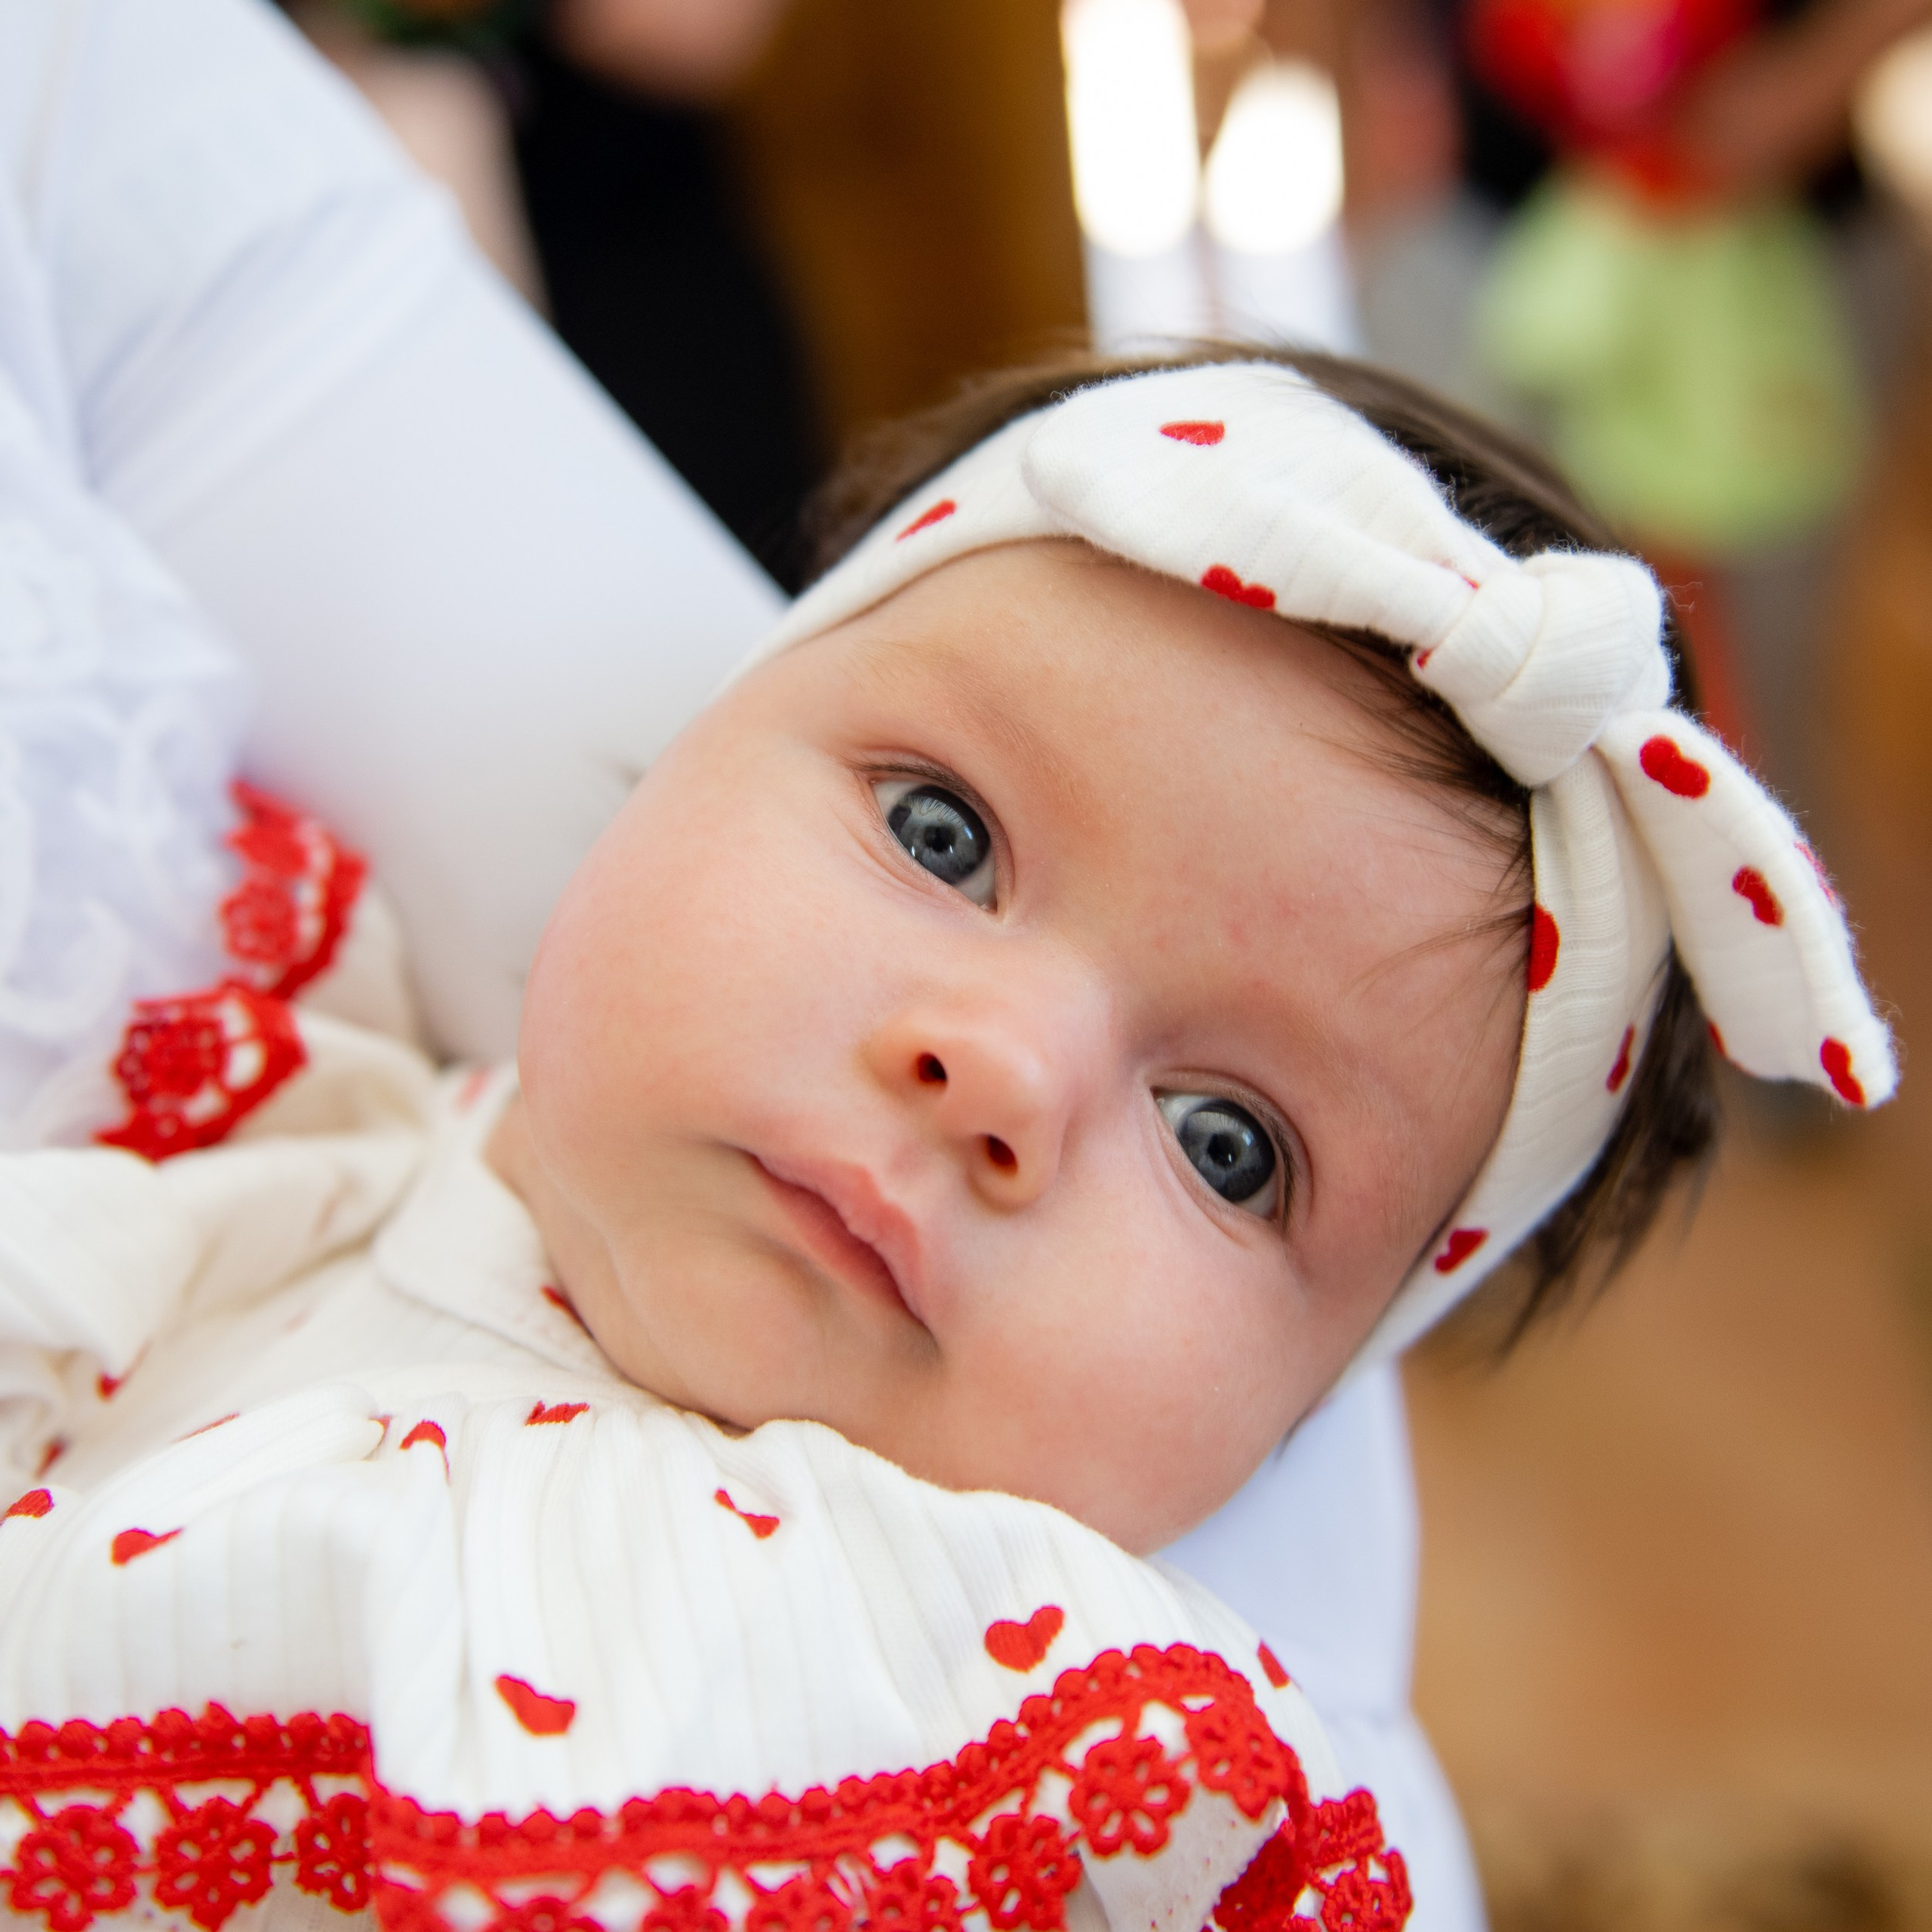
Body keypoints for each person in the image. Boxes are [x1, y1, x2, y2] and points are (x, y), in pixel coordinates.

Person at [0, 6, 1892, 1930]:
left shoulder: (1079, 1763)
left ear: (1300, 1428)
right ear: (676, 750)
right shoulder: (256, 1105)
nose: (995, 1070)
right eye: (940, 836)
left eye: (1229, 1144)